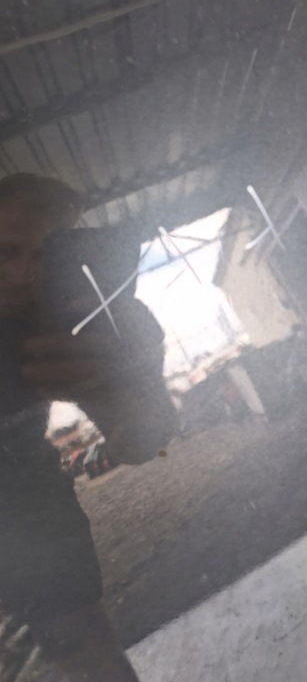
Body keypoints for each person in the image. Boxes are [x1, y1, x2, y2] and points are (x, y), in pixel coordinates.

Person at [0, 173, 177, 681]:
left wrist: (138, 381)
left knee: (84, 643)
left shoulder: (76, 326)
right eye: (5, 253)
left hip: (26, 495)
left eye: (45, 257)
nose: (23, 275)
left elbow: (141, 442)